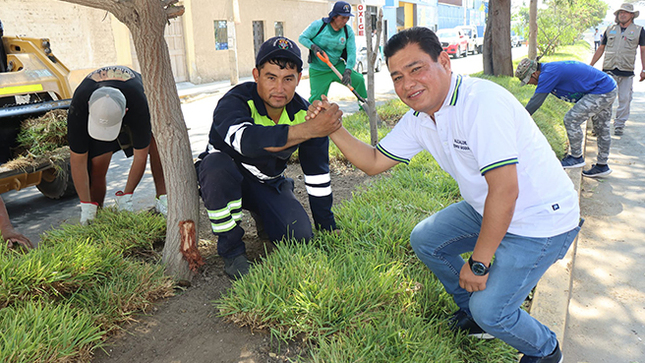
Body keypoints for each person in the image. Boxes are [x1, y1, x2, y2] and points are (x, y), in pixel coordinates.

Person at [308, 27, 581, 363]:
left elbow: (506, 190)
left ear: (445, 61)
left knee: (493, 311)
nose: (407, 84)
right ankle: (474, 316)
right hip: (491, 209)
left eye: (416, 69)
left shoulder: (482, 103)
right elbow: (374, 161)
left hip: (542, 222)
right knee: (426, 239)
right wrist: (334, 128)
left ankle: (545, 350)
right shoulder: (422, 117)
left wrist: (478, 263)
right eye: (397, 76)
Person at [195, 36, 343, 279]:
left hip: (267, 182)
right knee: (216, 165)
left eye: (288, 79)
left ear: (299, 78)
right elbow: (247, 142)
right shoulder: (235, 101)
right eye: (271, 77)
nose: (279, 88)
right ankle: (232, 251)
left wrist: (326, 226)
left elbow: (317, 174)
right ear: (256, 75)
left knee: (299, 237)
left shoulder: (305, 113)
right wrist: (310, 129)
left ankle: (266, 211)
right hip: (224, 179)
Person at [67, 65, 167, 226]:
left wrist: (127, 195)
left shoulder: (139, 103)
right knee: (96, 165)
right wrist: (86, 205)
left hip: (135, 102)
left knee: (158, 145)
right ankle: (95, 214)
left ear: (126, 112)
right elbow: (77, 161)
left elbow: (140, 156)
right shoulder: (78, 106)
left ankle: (163, 199)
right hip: (99, 110)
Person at [515, 58, 617, 178]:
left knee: (571, 119)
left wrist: (520, 120)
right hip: (606, 86)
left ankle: (576, 157)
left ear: (534, 74)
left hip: (601, 90)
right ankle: (602, 165)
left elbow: (535, 102)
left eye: (528, 80)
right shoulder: (549, 70)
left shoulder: (548, 74)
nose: (528, 83)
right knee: (601, 128)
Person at [590, 2, 645, 136]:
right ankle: (600, 126)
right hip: (609, 70)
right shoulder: (609, 29)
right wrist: (590, 66)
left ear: (631, 15)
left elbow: (643, 51)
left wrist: (644, 69)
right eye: (620, 12)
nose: (622, 14)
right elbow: (601, 48)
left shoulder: (639, 30)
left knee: (625, 99)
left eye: (625, 12)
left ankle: (619, 125)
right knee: (603, 99)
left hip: (626, 71)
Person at [298, 1, 367, 105]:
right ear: (334, 16)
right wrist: (313, 46)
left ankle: (365, 108)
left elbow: (351, 53)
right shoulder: (319, 25)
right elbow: (302, 38)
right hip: (318, 70)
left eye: (348, 18)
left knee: (359, 80)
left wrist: (348, 71)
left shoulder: (348, 31)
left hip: (337, 66)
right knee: (316, 100)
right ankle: (316, 120)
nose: (346, 21)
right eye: (343, 17)